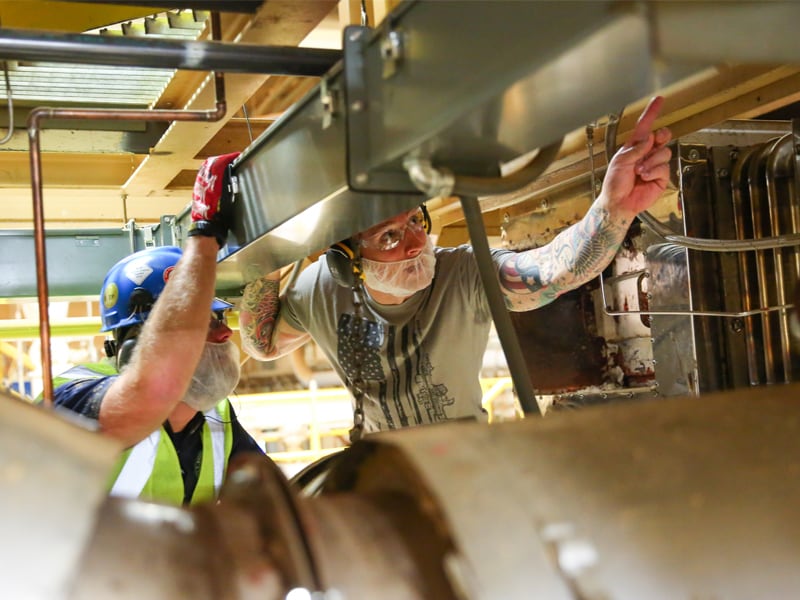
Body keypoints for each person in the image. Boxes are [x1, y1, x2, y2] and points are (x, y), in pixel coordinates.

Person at [237, 97, 673, 435]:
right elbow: (263, 345)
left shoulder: (465, 274)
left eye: (414, 221)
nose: (413, 244)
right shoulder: (320, 290)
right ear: (346, 259)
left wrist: (613, 208)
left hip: (464, 468)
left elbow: (554, 272)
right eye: (388, 236)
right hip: (380, 475)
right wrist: (265, 257)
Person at [52, 152, 266, 505]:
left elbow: (272, 506)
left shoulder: (216, 416)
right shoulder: (71, 395)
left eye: (219, 321)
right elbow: (150, 391)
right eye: (203, 323)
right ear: (137, 346)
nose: (225, 336)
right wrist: (205, 234)